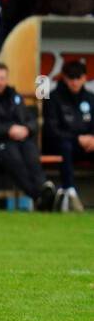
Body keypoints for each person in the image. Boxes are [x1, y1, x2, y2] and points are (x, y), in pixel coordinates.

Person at [0, 62, 56, 210]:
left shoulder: (14, 96)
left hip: (21, 140)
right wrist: (7, 130)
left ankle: (43, 188)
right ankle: (39, 195)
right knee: (14, 158)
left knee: (31, 154)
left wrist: (26, 129)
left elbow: (30, 120)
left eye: (2, 78)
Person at [43, 60, 94, 211]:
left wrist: (92, 137)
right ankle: (70, 193)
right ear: (64, 78)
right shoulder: (53, 98)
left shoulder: (90, 98)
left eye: (79, 78)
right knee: (65, 147)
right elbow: (51, 130)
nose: (75, 82)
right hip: (61, 144)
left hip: (87, 145)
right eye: (71, 78)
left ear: (85, 78)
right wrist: (76, 138)